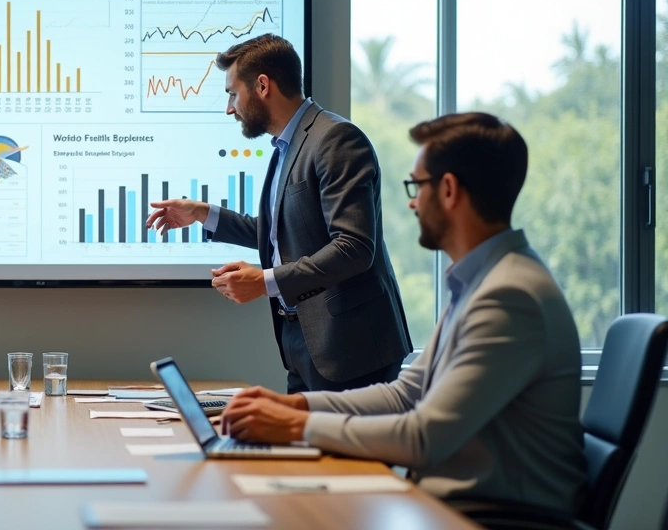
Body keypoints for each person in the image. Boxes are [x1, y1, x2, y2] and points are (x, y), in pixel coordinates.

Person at [219, 113, 586, 511]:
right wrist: (298, 405)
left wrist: (297, 426)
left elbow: (423, 438)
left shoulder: (510, 297)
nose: (412, 201)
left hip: (491, 516)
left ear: (448, 190)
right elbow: (407, 394)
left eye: (417, 185)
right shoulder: (483, 281)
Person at [147, 33, 411, 392]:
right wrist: (202, 213)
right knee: (302, 448)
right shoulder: (287, 146)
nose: (229, 108)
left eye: (232, 93)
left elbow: (354, 247)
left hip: (352, 349)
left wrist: (265, 281)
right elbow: (279, 235)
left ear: (262, 85)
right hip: (303, 341)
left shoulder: (335, 140)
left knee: (343, 450)